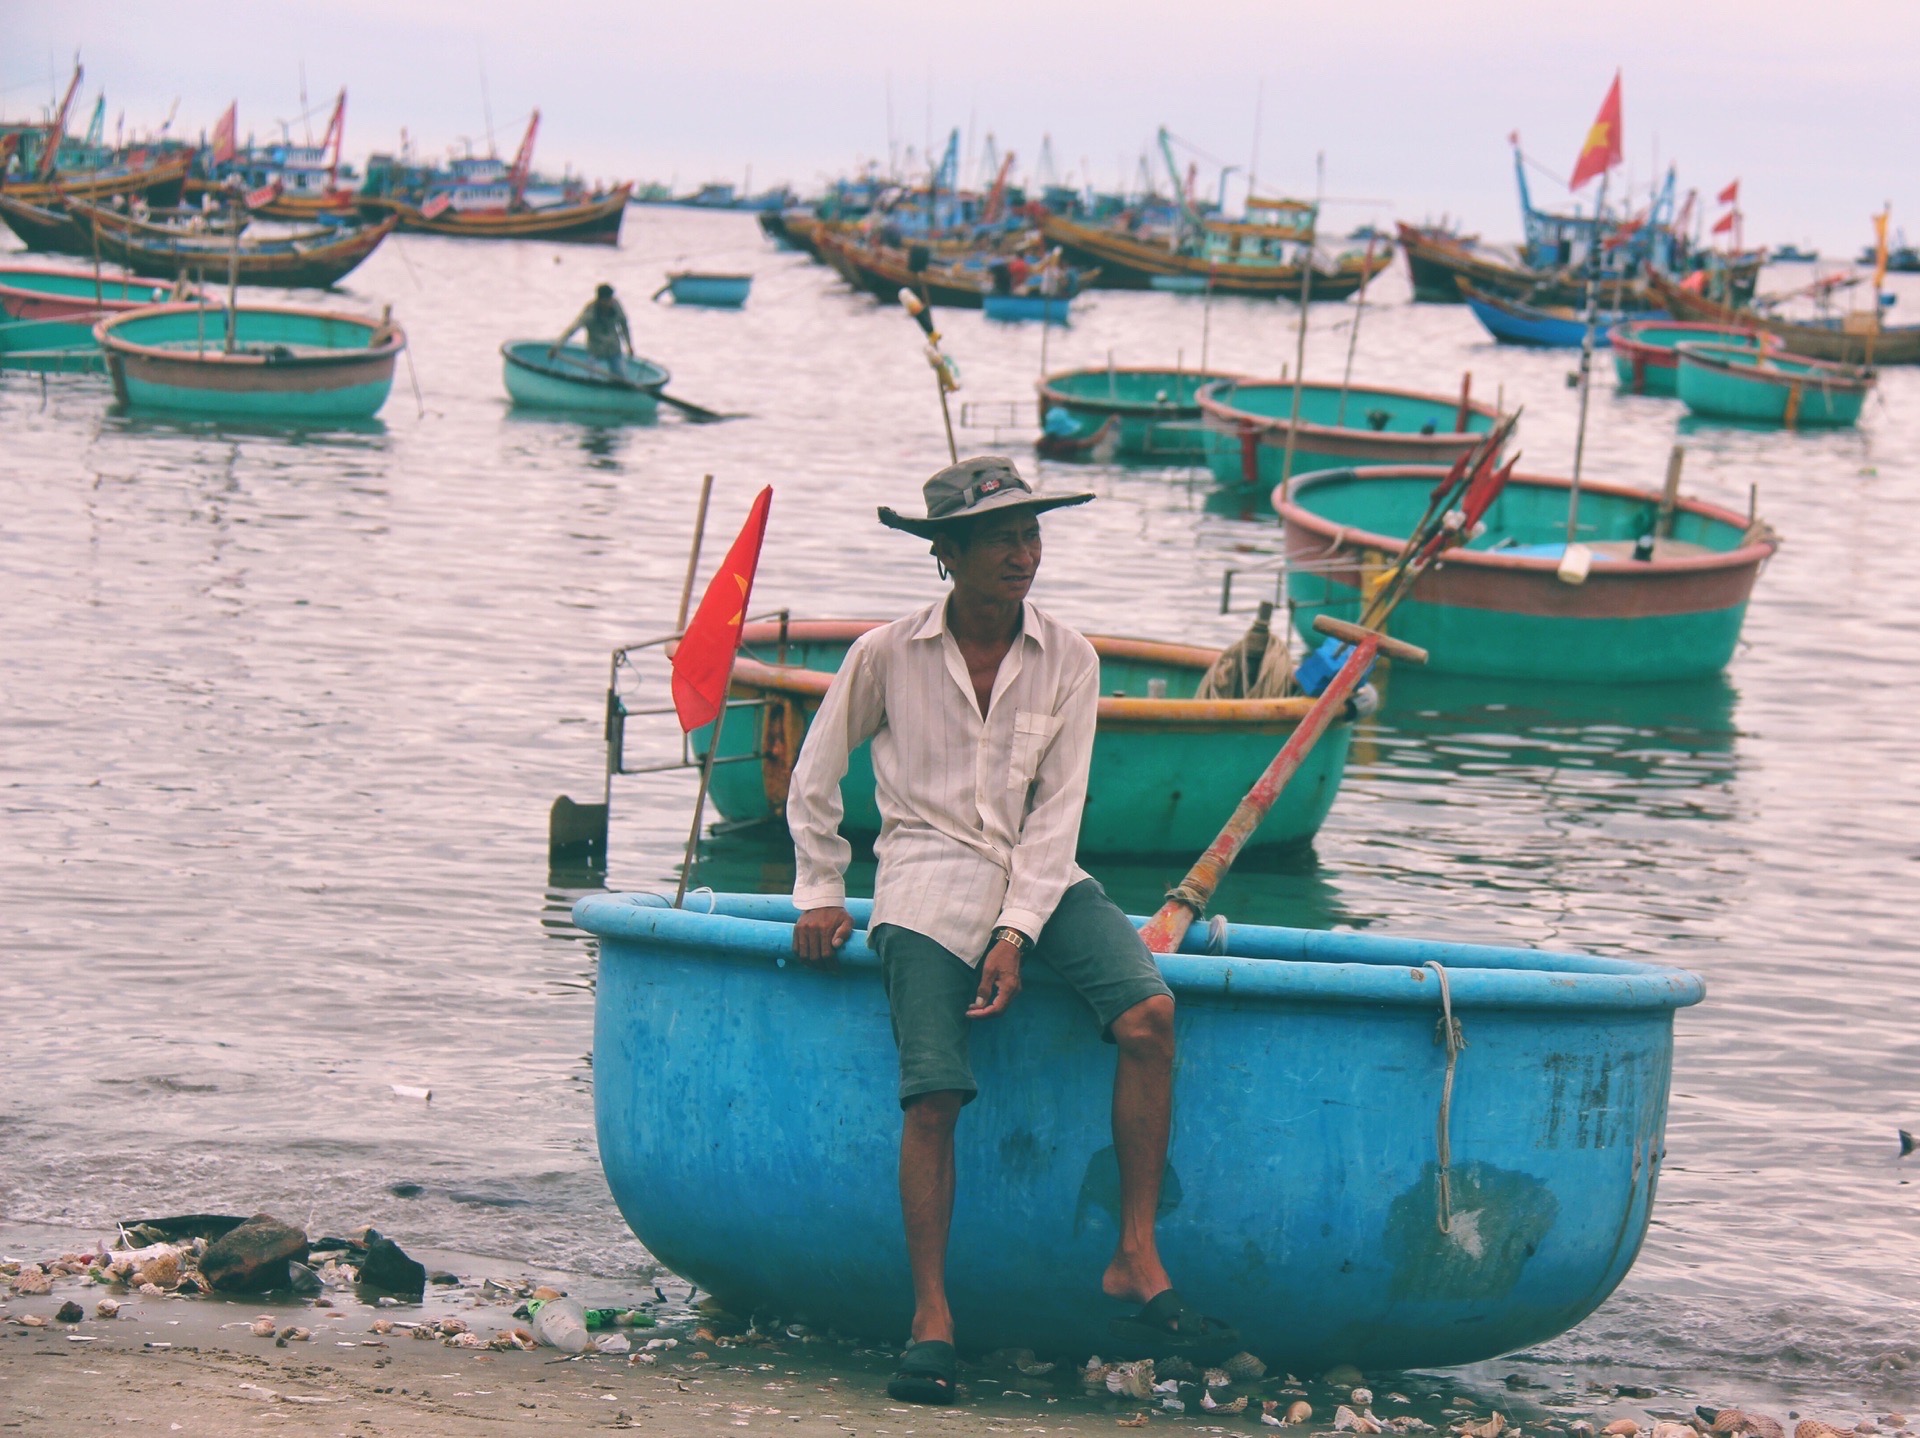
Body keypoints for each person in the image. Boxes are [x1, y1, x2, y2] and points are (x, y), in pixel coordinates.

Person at [785, 456, 1238, 1406]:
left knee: (1149, 1015)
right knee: (935, 1096)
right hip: (921, 881)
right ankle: (932, 1317)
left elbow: (1057, 813)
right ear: (945, 554)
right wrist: (820, 890)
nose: (1024, 555)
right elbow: (813, 779)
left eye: (1032, 536)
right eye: (1001, 539)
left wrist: (1018, 932)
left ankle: (1134, 1252)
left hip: (1042, 876)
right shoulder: (884, 655)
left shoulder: (1070, 657)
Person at [552, 282, 632, 374]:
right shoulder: (589, 314)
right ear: (600, 300)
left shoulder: (616, 305)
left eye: (610, 299)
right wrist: (557, 346)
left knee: (621, 376)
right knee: (592, 375)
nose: (609, 303)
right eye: (606, 300)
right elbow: (572, 330)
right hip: (596, 350)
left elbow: (624, 325)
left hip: (614, 349)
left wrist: (629, 345)